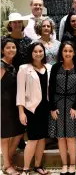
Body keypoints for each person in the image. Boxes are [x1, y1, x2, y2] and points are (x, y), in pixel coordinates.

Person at [48, 41, 76, 175]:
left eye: (70, 51)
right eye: (65, 51)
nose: (67, 53)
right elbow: (50, 88)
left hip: (72, 106)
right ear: (61, 53)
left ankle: (73, 164)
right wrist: (52, 107)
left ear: (74, 53)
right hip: (57, 105)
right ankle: (64, 164)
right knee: (60, 137)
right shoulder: (56, 67)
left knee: (71, 136)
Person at [16, 42, 52, 175]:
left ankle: (38, 165)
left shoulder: (49, 67)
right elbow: (20, 92)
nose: (38, 54)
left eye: (40, 51)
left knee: (42, 138)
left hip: (45, 108)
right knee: (32, 139)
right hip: (31, 109)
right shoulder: (24, 68)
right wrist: (21, 112)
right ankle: (26, 168)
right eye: (35, 51)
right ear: (31, 53)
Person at [1, 38, 25, 175]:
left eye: (13, 47)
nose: (11, 50)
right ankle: (7, 164)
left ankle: (8, 161)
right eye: (8, 48)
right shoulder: (1, 65)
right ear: (2, 50)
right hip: (3, 104)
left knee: (18, 132)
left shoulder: (13, 65)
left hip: (14, 103)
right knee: (5, 136)